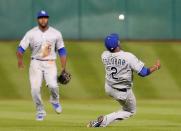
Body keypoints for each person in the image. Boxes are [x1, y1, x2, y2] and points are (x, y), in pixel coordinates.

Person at [87, 33, 161, 127]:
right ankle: (104, 121)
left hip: (109, 88)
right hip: (122, 91)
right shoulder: (128, 57)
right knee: (130, 111)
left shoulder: (104, 55)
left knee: (126, 108)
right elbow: (143, 73)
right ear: (118, 43)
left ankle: (104, 121)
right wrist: (156, 67)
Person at [16, 10, 67, 121]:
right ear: (38, 19)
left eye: (45, 17)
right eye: (41, 17)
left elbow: (62, 50)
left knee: (53, 85)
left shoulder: (56, 33)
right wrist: (20, 59)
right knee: (34, 89)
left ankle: (55, 100)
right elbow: (20, 48)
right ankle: (40, 111)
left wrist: (63, 68)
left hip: (50, 62)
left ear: (47, 19)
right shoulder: (31, 33)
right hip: (36, 63)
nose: (43, 19)